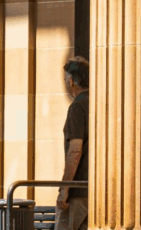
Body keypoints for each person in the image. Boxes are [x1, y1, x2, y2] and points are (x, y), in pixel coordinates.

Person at [59, 57, 88, 230]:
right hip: (100, 190)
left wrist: (64, 188)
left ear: (71, 81)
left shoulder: (77, 107)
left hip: (78, 191)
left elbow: (74, 151)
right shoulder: (101, 105)